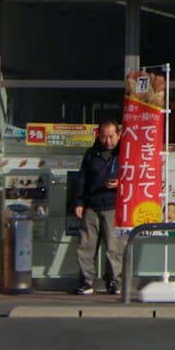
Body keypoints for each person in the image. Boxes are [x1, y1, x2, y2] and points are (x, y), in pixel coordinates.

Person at [72, 119, 123, 295]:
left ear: (118, 135)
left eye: (111, 136)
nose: (107, 141)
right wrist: (79, 202)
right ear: (98, 136)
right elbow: (82, 179)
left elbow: (135, 176)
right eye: (103, 137)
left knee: (113, 246)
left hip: (113, 204)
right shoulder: (91, 154)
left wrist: (120, 183)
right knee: (86, 244)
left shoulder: (125, 153)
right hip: (92, 204)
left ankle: (113, 280)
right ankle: (86, 281)